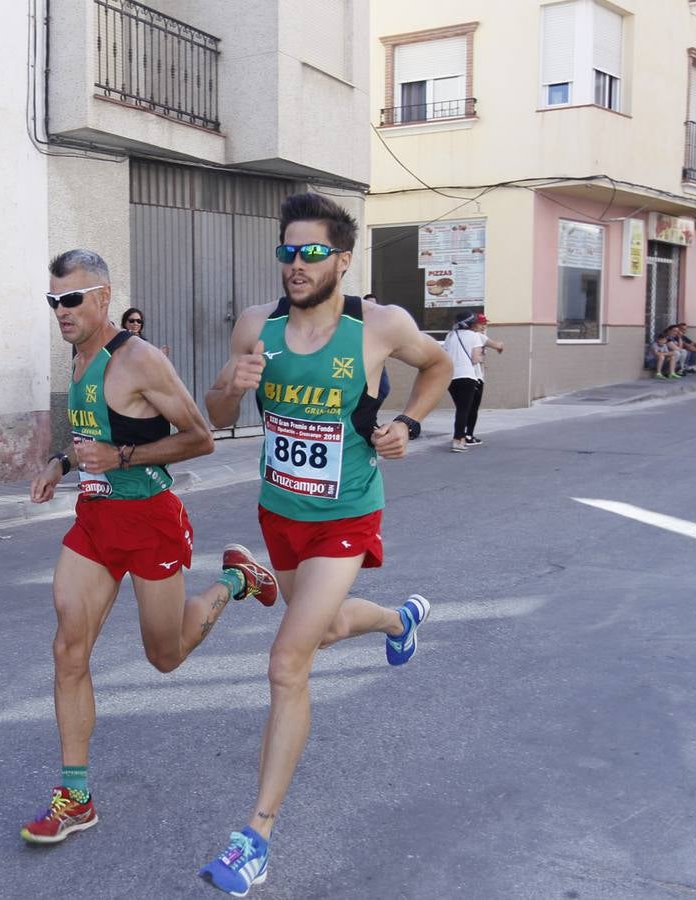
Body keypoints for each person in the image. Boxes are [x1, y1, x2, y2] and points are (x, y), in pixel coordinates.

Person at [198, 192, 452, 896]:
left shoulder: (379, 325)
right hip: (279, 509)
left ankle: (256, 836)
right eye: (287, 252)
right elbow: (217, 415)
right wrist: (229, 382)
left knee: (287, 662)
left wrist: (410, 424)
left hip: (345, 510)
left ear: (342, 258)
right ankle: (398, 619)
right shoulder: (256, 325)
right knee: (325, 625)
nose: (297, 265)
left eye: (312, 253)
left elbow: (439, 368)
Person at [21, 249, 279, 845]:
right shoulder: (81, 357)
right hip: (96, 521)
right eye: (53, 301)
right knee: (68, 648)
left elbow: (201, 437)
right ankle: (75, 796)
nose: (61, 311)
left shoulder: (141, 359)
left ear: (103, 297)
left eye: (72, 299)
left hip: (151, 520)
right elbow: (95, 433)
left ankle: (236, 579)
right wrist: (62, 462)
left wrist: (122, 459)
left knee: (165, 656)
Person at [442, 312, 487, 452]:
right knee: (464, 410)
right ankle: (458, 440)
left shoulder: (450, 336)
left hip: (451, 377)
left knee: (461, 409)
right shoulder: (474, 337)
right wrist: (481, 357)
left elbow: (445, 354)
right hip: (467, 376)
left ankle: (461, 438)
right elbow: (475, 359)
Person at [464, 312, 505, 446]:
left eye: (485, 323)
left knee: (463, 408)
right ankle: (468, 435)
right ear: (474, 324)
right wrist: (500, 347)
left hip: (460, 375)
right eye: (482, 323)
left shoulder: (459, 335)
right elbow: (498, 345)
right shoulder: (478, 337)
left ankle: (460, 434)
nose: (484, 326)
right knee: (472, 408)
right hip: (475, 377)